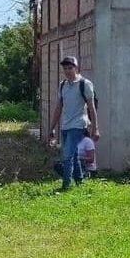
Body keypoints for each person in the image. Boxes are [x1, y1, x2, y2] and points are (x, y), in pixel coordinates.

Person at [48, 56, 100, 191]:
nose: (67, 71)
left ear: (76, 68)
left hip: (78, 125)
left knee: (67, 156)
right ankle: (80, 181)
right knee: (74, 154)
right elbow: (58, 107)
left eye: (70, 68)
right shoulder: (62, 85)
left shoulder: (85, 84)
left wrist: (95, 128)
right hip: (66, 125)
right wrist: (52, 128)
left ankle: (65, 186)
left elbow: (91, 107)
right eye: (65, 68)